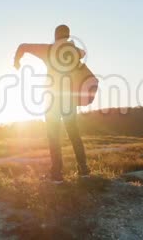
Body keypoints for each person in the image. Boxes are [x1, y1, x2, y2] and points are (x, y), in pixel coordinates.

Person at [13, 24, 89, 182]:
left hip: (52, 98)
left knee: (54, 136)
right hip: (69, 99)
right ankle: (84, 170)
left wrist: (17, 61)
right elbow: (83, 52)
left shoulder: (48, 50)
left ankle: (57, 174)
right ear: (68, 36)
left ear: (55, 35)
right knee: (74, 134)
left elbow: (23, 46)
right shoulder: (74, 52)